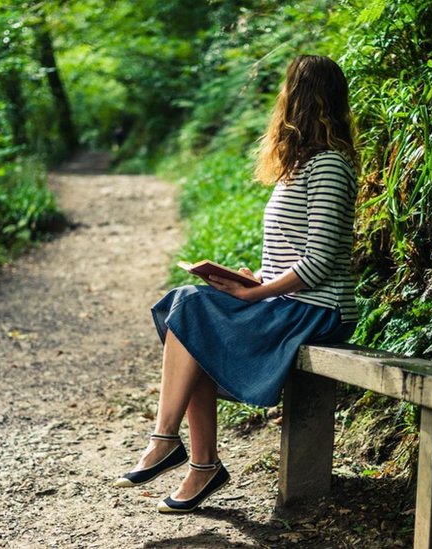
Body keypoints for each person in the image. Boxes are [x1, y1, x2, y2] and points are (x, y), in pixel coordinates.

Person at [114, 54, 359, 514]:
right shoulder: (301, 167)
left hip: (320, 311)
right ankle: (198, 460)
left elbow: (322, 262)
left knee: (189, 311)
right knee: (185, 311)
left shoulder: (328, 165)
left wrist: (254, 294)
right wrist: (254, 279)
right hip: (289, 302)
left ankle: (174, 446)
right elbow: (295, 255)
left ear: (296, 98)